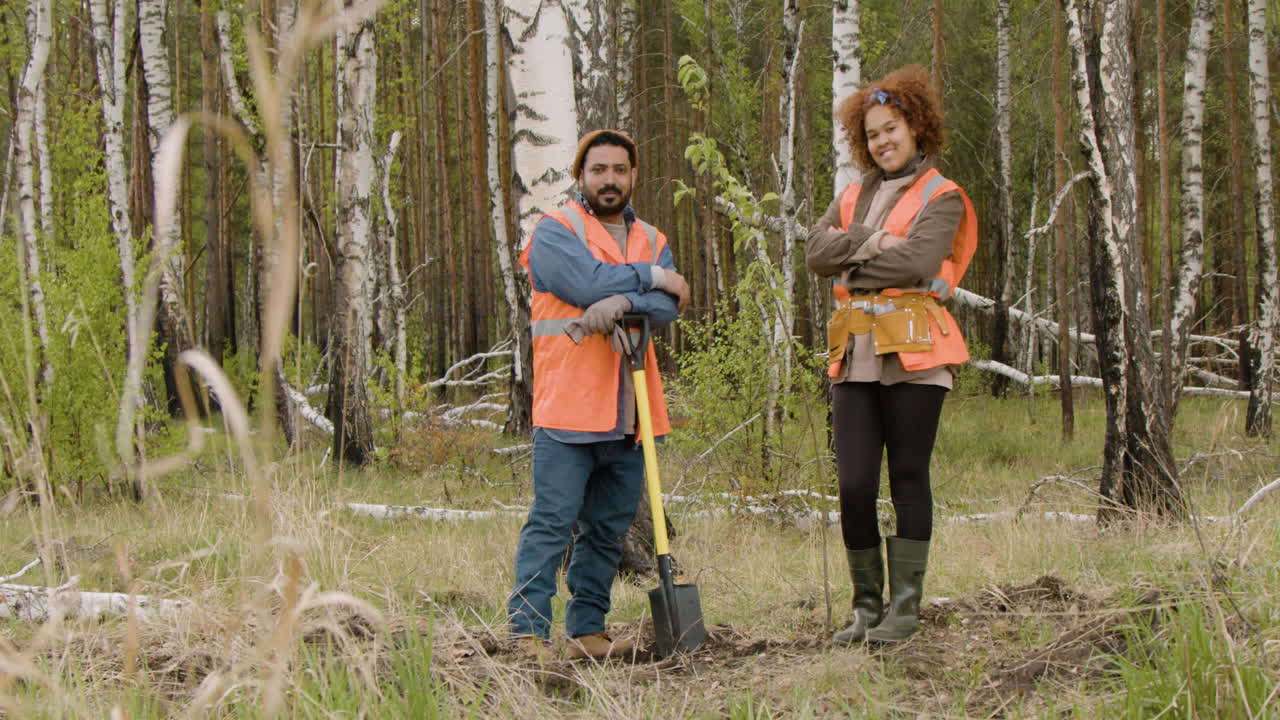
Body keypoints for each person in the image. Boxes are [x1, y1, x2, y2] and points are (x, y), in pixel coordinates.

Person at [805, 65, 977, 645]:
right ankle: (865, 608)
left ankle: (904, 611)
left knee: (907, 476)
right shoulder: (853, 193)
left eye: (892, 128)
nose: (883, 141)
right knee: (853, 483)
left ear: (916, 127)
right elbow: (813, 253)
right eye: (873, 133)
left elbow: (918, 264)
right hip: (853, 352)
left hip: (917, 352)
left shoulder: (942, 195)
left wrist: (850, 256)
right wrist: (873, 241)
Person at [508, 129, 691, 661]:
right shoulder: (554, 231)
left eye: (619, 169)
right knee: (551, 522)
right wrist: (652, 279)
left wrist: (626, 300)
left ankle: (588, 628)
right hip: (568, 408)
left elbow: (666, 310)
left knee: (608, 530)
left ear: (633, 176)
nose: (609, 179)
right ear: (580, 176)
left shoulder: (653, 236)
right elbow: (584, 286)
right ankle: (527, 632)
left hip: (630, 411)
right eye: (598, 170)